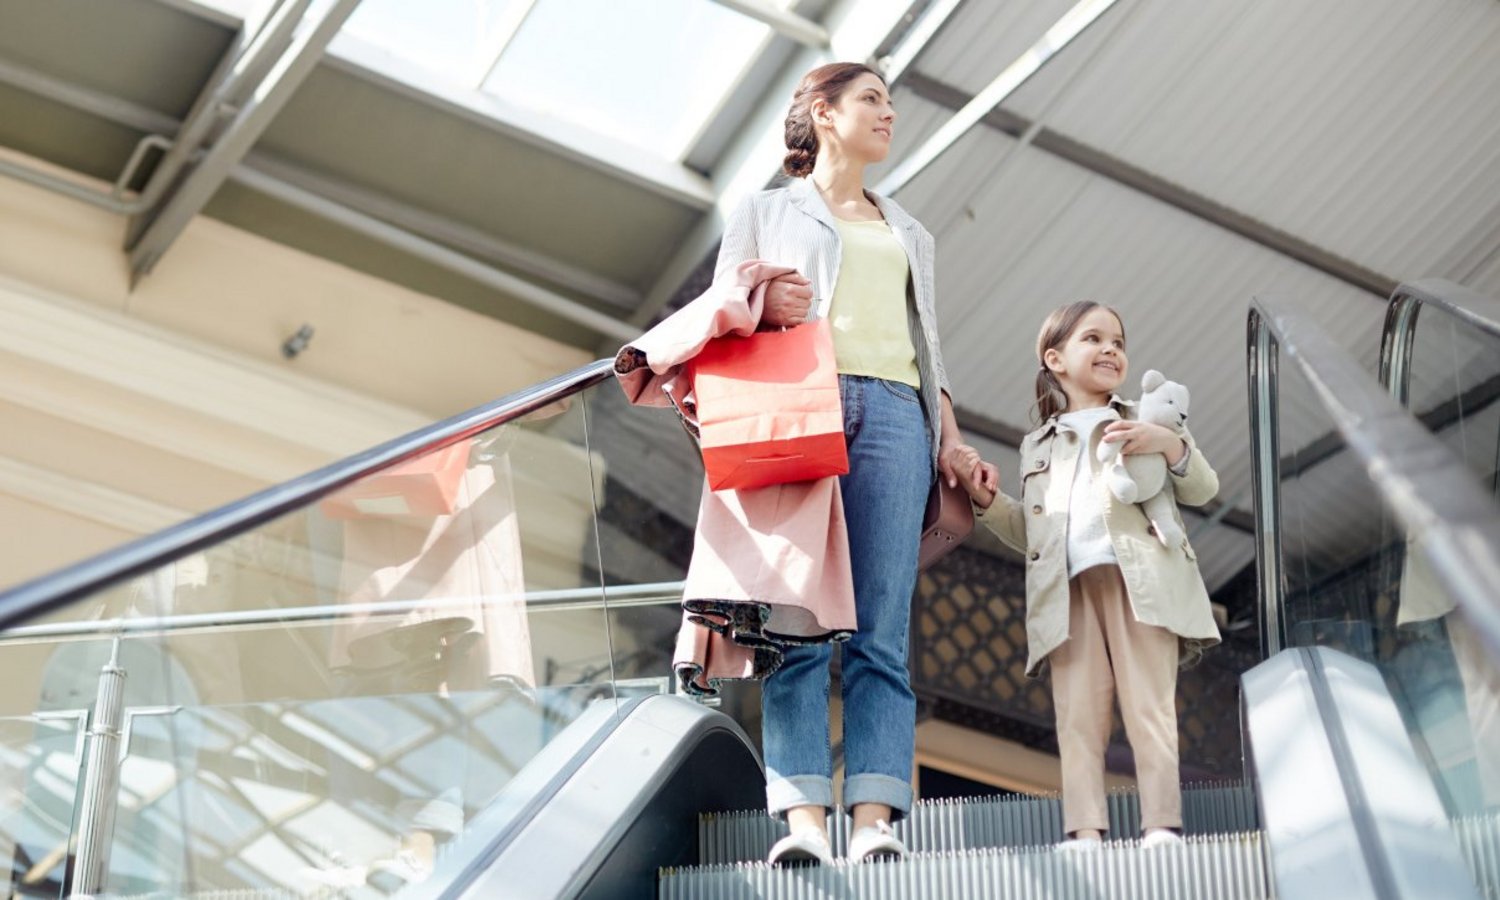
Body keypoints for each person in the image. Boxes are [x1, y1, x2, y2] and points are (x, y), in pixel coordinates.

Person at [613, 62, 978, 865]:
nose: (888, 114)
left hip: (894, 416)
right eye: (872, 100)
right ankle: (805, 822)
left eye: (890, 103)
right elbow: (719, 327)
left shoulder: (911, 231)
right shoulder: (764, 211)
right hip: (797, 408)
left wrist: (949, 439)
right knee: (795, 626)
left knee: (882, 631)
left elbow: (932, 351)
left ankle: (876, 819)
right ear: (824, 112)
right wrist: (760, 308)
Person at [952, 301, 1221, 850]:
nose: (1110, 350)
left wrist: (1168, 444)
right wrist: (984, 499)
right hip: (1065, 593)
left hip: (1140, 578)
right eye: (1093, 339)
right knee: (1077, 718)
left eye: (1118, 342)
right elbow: (1033, 533)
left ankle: (1162, 827)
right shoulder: (1037, 445)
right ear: (1055, 359)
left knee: (1150, 707)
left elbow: (1204, 489)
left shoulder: (1146, 417)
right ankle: (1084, 830)